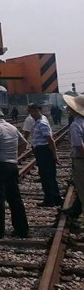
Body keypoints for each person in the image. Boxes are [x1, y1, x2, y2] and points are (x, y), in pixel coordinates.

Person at [0, 102, 29, 239]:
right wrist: (14, 157)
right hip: (12, 166)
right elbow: (24, 143)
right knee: (15, 198)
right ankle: (22, 230)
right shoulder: (12, 127)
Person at [28, 103, 61, 206]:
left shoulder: (42, 123)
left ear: (39, 111)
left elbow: (50, 140)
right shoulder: (38, 122)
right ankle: (56, 198)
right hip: (41, 151)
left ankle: (50, 200)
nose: (32, 114)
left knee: (46, 176)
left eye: (35, 111)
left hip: (44, 151)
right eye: (31, 112)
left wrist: (54, 155)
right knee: (48, 175)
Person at [60, 94, 84, 223]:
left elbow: (79, 146)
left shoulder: (76, 125)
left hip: (81, 161)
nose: (68, 109)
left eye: (70, 107)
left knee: (82, 193)